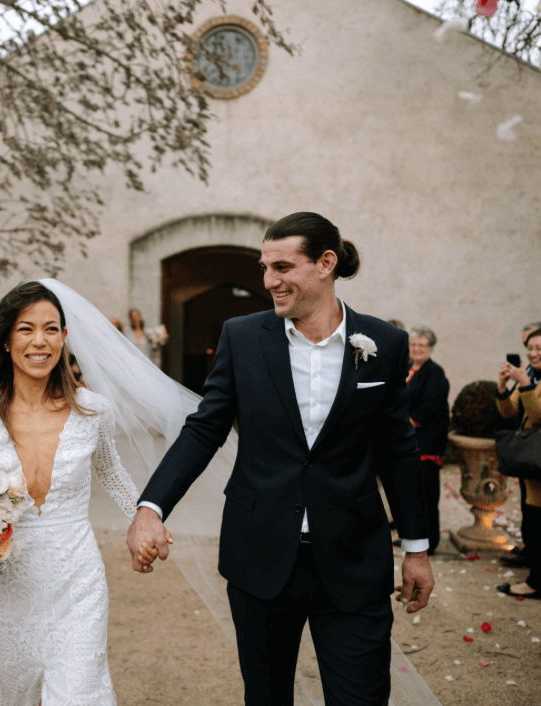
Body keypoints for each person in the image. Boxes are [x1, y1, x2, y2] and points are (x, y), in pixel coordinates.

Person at [129, 212, 433, 705]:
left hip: (354, 558)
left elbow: (398, 449)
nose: (269, 281)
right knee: (266, 697)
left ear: (325, 264)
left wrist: (417, 548)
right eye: (264, 267)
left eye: (283, 267)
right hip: (261, 555)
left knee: (362, 696)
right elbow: (204, 430)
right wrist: (151, 508)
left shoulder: (384, 345)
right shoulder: (242, 337)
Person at [0, 280, 141, 705]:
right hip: (6, 582)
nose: (40, 341)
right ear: (4, 339)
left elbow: (112, 473)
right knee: (14, 695)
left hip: (77, 577)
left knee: (79, 694)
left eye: (51, 329)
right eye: (26, 329)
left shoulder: (93, 411)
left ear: (64, 337)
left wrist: (144, 520)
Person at [496, 327, 541, 599]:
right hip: (531, 464)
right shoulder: (533, 376)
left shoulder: (530, 379)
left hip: (538, 461)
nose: (534, 354)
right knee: (531, 517)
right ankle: (531, 561)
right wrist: (503, 386)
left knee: (538, 521)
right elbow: (509, 411)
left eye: (539, 349)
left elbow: (536, 417)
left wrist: (525, 383)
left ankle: (536, 583)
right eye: (531, 348)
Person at [405, 325, 450, 555]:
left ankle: (430, 542)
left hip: (426, 444)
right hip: (408, 443)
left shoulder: (435, 374)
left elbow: (426, 411)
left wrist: (396, 425)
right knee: (411, 496)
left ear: (431, 348)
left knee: (426, 496)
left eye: (421, 345)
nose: (416, 348)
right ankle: (413, 540)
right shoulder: (407, 369)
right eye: (413, 344)